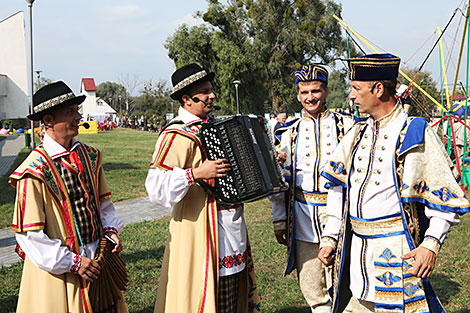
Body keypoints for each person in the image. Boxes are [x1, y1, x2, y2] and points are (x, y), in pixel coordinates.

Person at [318, 53, 470, 313]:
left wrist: (431, 245)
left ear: (378, 89)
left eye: (356, 89)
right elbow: (337, 188)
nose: (352, 96)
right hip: (357, 255)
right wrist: (330, 238)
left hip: (397, 254)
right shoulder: (356, 133)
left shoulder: (416, 132)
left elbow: (444, 198)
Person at [145, 63, 260, 313]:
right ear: (187, 99)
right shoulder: (176, 135)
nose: (212, 95)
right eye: (205, 92)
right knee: (204, 292)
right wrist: (195, 173)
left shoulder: (216, 125)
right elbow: (155, 188)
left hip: (230, 226)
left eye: (211, 89)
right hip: (199, 231)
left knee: (230, 293)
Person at [9, 81, 127, 313]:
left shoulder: (90, 156)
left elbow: (104, 204)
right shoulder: (33, 171)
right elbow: (29, 236)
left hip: (98, 261)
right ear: (48, 120)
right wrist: (73, 263)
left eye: (77, 111)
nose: (78, 117)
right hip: (61, 274)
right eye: (70, 112)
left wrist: (111, 232)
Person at [269, 64, 355, 313]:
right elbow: (279, 180)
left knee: (345, 280)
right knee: (311, 283)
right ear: (297, 94)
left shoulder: (347, 126)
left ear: (326, 92)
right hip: (303, 215)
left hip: (340, 213)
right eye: (304, 92)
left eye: (315, 91)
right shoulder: (288, 132)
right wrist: (279, 219)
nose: (310, 98)